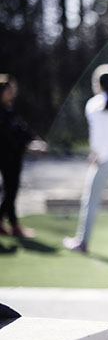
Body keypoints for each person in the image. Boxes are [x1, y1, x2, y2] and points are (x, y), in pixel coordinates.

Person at [63, 64, 108, 256]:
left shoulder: (95, 104)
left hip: (106, 159)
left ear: (99, 84)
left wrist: (95, 154)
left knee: (91, 200)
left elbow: (97, 135)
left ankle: (83, 241)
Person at [0, 74, 47, 237]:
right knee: (10, 190)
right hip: (6, 157)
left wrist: (35, 141)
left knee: (11, 190)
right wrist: (28, 145)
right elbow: (8, 135)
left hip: (15, 156)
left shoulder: (10, 110)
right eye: (8, 90)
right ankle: (12, 225)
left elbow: (24, 130)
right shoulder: (2, 113)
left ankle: (10, 224)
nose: (12, 92)